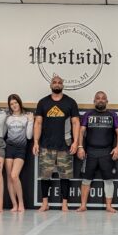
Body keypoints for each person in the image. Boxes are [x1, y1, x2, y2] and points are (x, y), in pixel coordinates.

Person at [33, 75, 81, 212]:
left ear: (62, 85)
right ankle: (45, 203)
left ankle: (64, 204)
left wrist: (76, 142)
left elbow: (76, 122)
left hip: (65, 145)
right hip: (46, 145)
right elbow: (38, 123)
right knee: (45, 176)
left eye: (60, 82)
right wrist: (36, 142)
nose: (57, 84)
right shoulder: (43, 102)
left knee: (65, 176)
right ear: (51, 85)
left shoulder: (70, 102)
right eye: (54, 82)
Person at [77, 90, 118, 213]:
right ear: (94, 101)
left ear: (107, 101)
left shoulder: (112, 115)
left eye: (103, 98)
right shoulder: (88, 114)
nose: (100, 100)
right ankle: (83, 205)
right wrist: (80, 147)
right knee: (86, 180)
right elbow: (81, 131)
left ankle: (108, 206)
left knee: (108, 180)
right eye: (98, 98)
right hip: (90, 152)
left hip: (107, 152)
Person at [4, 94, 33, 213]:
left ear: (19, 103)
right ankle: (14, 204)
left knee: (14, 175)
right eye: (11, 104)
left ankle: (21, 203)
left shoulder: (26, 117)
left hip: (21, 148)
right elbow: (2, 134)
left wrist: (30, 121)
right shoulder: (8, 118)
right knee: (9, 177)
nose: (14, 105)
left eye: (15, 103)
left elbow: (29, 136)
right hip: (9, 147)